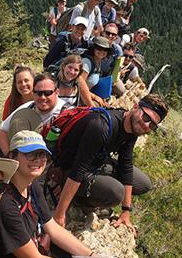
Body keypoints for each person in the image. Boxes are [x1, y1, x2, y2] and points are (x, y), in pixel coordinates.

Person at [0, 131, 134, 258]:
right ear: (12, 156)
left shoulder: (31, 186)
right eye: (30, 154)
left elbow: (53, 229)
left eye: (42, 155)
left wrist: (92, 257)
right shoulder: (6, 203)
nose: (38, 160)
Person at [51, 94, 168, 233]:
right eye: (146, 117)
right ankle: (78, 202)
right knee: (116, 192)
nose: (147, 125)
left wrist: (126, 211)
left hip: (96, 162)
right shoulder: (102, 126)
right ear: (135, 107)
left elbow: (126, 164)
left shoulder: (132, 128)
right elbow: (78, 169)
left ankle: (92, 193)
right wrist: (59, 214)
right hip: (69, 168)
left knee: (143, 183)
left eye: (153, 125)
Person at [0, 73, 67, 156]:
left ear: (57, 92)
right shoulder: (27, 107)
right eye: (38, 93)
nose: (43, 97)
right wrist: (9, 156)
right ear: (33, 93)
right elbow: (1, 131)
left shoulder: (68, 113)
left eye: (47, 93)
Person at [78, 36, 113, 107]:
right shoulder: (86, 62)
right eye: (99, 49)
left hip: (87, 94)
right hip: (79, 96)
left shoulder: (99, 62)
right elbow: (79, 85)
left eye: (105, 50)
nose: (102, 52)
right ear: (93, 49)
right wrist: (94, 98)